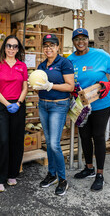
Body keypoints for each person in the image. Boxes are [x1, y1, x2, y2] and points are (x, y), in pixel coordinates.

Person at [67, 28, 110, 192]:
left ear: (87, 40)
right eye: (77, 39)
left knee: (98, 136)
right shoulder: (69, 60)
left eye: (83, 38)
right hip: (82, 106)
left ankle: (100, 174)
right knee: (84, 136)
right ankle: (89, 168)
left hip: (102, 103)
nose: (80, 42)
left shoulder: (100, 54)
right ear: (73, 42)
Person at [34, 34, 74, 196]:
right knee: (48, 142)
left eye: (52, 45)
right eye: (45, 45)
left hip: (59, 105)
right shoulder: (42, 65)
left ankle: (63, 179)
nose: (48, 48)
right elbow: (39, 86)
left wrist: (51, 85)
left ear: (58, 47)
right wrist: (35, 85)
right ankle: (52, 174)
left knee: (54, 143)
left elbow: (70, 86)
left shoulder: (64, 63)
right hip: (43, 105)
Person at [0, 35, 28, 192]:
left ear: (18, 49)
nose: (11, 49)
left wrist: (18, 103)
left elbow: (25, 87)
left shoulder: (22, 66)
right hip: (2, 106)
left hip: (18, 105)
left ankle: (12, 174)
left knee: (17, 140)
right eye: (9, 46)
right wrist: (7, 104)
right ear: (4, 47)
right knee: (3, 140)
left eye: (15, 46)